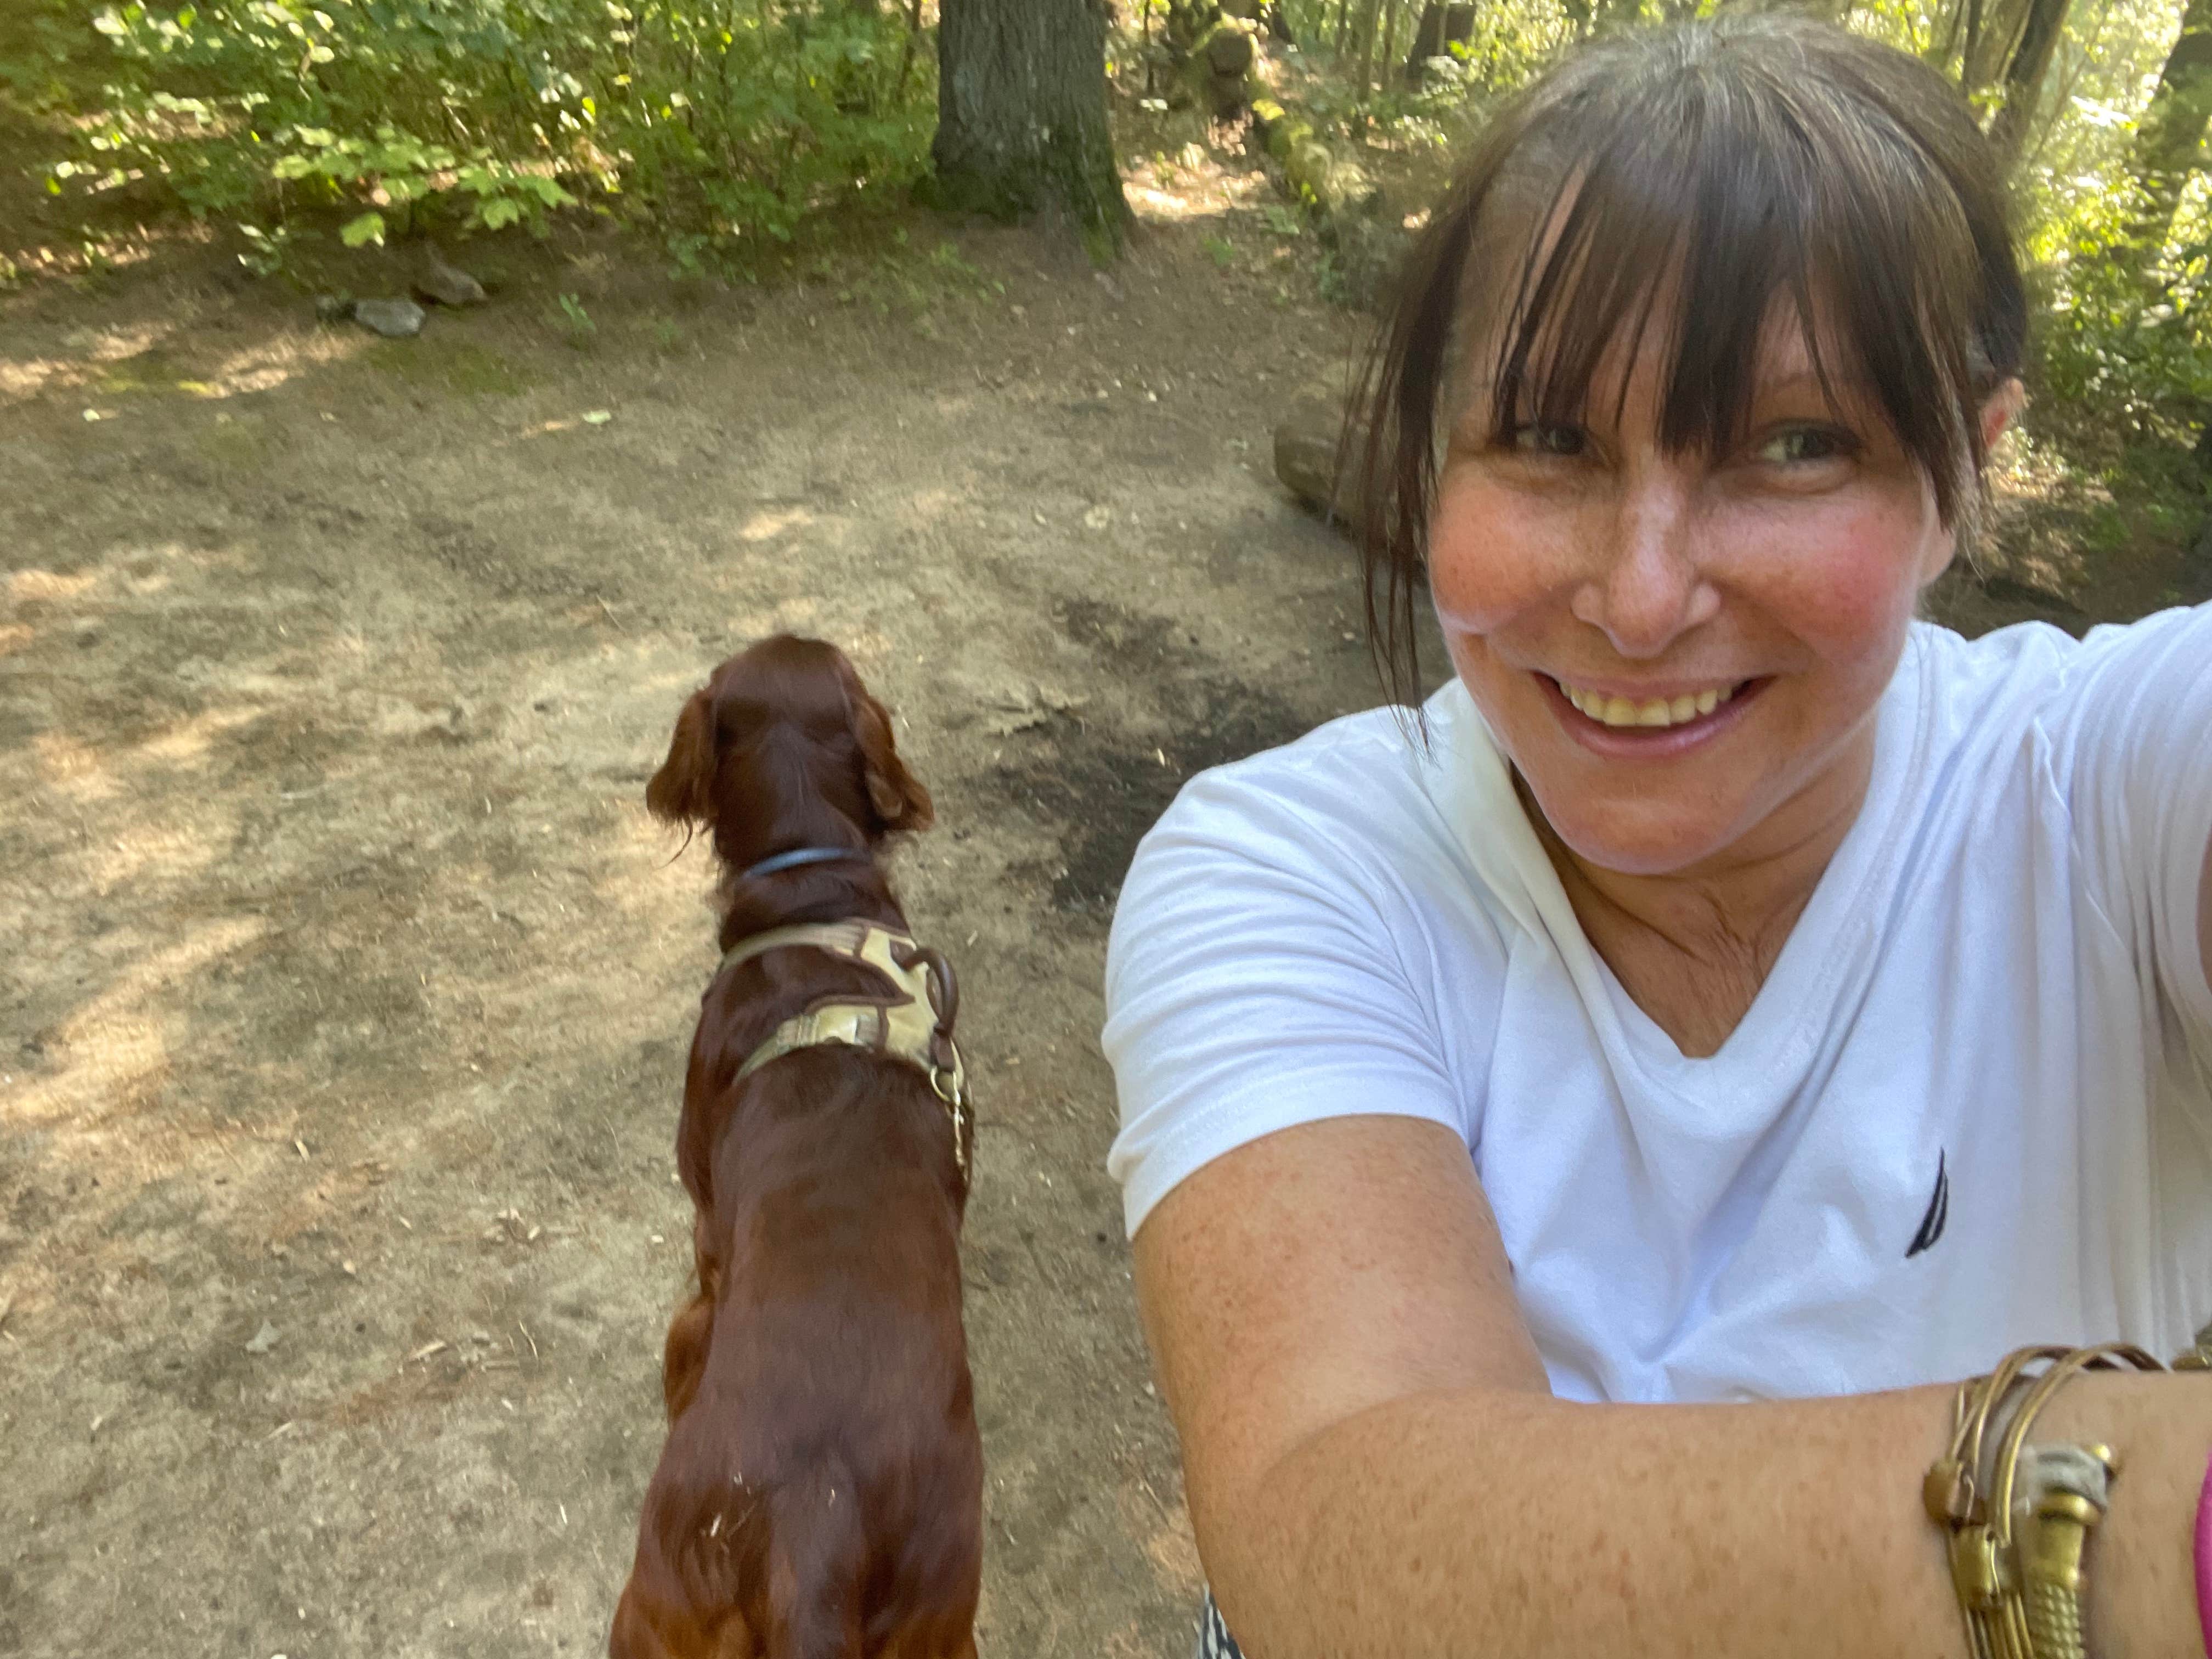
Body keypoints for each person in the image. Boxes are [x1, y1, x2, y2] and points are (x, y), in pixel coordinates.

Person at [1101, 16, 2212, 1658]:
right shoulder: (1292, 867)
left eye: (1795, 443)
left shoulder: (2117, 789)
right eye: (1547, 440)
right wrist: (2105, 1520)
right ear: (1431, 460)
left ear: (1966, 475)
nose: (1637, 598)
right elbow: (1333, 1526)